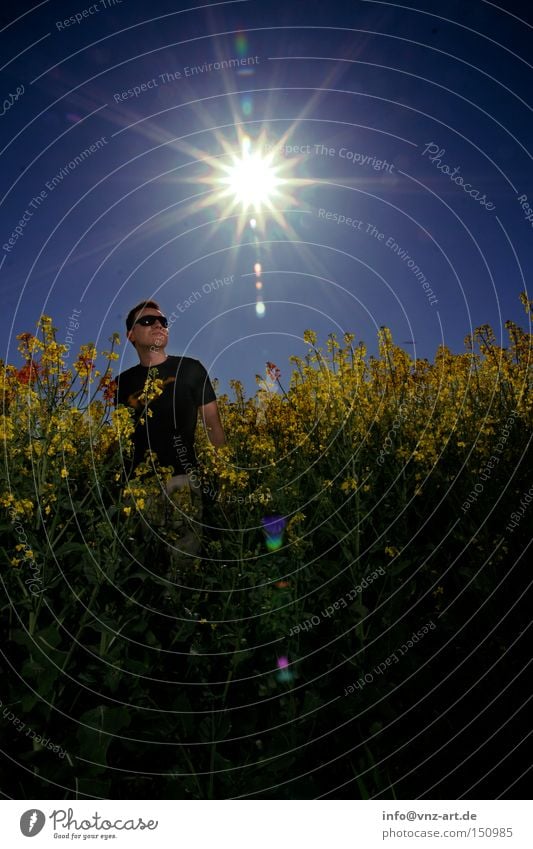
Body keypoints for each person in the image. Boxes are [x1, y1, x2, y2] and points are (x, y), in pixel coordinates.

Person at [116, 299, 225, 583]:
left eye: (163, 321)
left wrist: (224, 472)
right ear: (131, 335)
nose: (158, 325)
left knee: (183, 572)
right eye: (148, 321)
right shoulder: (120, 383)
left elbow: (213, 424)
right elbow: (120, 434)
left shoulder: (190, 369)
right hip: (138, 488)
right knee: (139, 571)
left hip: (183, 482)